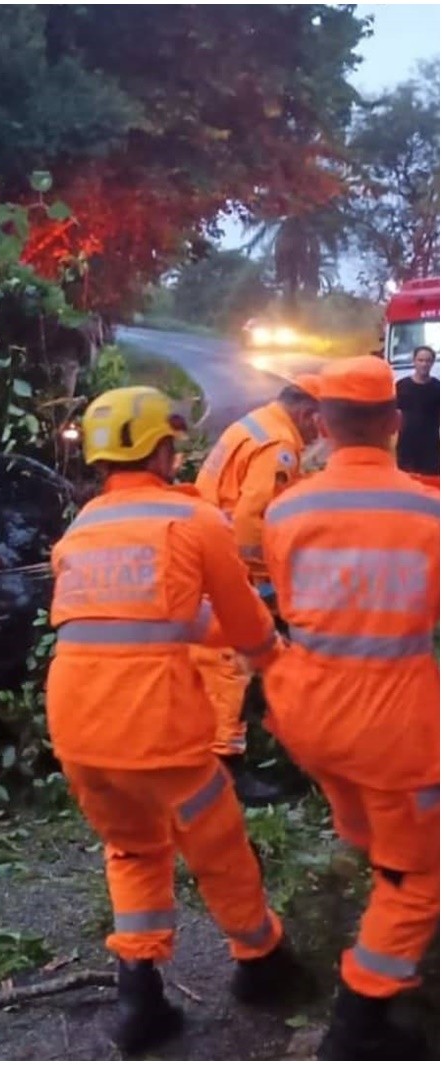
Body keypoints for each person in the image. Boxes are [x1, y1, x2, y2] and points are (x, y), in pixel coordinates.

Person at [46, 386, 310, 1055]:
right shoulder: (192, 522)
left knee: (133, 848)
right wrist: (282, 664)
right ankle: (261, 962)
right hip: (155, 726)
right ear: (160, 448)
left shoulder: (81, 530)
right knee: (218, 846)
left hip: (77, 727)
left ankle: (138, 996)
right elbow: (246, 622)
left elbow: (159, 616)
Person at [261, 356, 440, 1059]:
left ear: (323, 425)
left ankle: (385, 873)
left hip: (306, 713)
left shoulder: (286, 509)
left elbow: (285, 601)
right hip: (393, 725)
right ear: (396, 423)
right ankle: (359, 1015)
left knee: (371, 821)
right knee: (424, 873)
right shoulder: (432, 510)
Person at [189, 377, 323, 804]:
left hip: (205, 548)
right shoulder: (279, 443)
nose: (319, 434)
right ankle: (228, 770)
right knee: (233, 662)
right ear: (306, 413)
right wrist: (262, 583)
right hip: (232, 564)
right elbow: (253, 519)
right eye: (319, 424)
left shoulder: (257, 424)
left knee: (220, 662)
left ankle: (242, 750)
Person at [394, 345, 438, 479]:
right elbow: (394, 414)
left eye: (428, 361)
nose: (424, 364)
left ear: (432, 363)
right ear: (414, 361)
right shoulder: (401, 386)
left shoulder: (438, 388)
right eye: (421, 360)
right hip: (406, 446)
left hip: (431, 447)